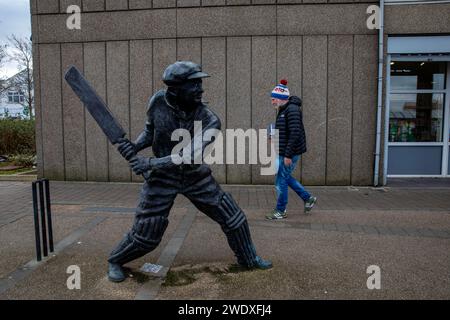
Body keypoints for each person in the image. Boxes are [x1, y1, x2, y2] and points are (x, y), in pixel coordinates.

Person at [107, 61, 272, 282]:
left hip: (195, 176)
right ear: (175, 89)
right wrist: (135, 146)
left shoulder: (209, 119)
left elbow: (188, 154)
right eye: (194, 85)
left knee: (234, 218)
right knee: (148, 233)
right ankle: (115, 260)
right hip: (162, 178)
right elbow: (150, 131)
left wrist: (149, 164)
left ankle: (248, 259)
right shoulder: (157, 101)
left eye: (200, 84)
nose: (201, 89)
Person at [266, 79, 317, 220]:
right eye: (271, 99)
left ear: (282, 98)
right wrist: (272, 136)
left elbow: (295, 133)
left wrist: (288, 155)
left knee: (280, 180)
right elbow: (285, 131)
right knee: (284, 177)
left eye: (274, 99)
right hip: (284, 151)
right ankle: (308, 198)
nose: (272, 102)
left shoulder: (292, 110)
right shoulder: (284, 110)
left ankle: (280, 210)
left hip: (290, 153)